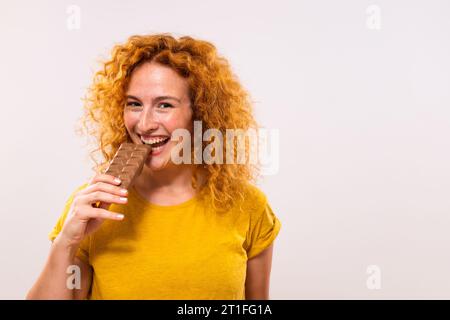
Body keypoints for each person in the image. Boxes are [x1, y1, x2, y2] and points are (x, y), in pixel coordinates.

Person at [26, 33, 281, 300]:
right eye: (134, 104)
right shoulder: (95, 205)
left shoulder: (247, 206)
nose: (145, 123)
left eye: (164, 105)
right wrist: (66, 242)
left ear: (200, 112)